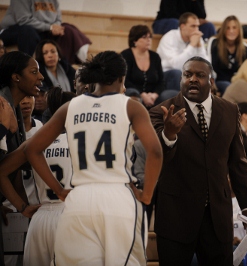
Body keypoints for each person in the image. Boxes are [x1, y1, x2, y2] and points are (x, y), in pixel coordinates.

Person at [1, 51, 163, 265]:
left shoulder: (70, 107)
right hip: (117, 196)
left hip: (79, 200)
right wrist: (147, 194)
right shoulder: (130, 105)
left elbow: (31, 150)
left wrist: (59, 190)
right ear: (121, 78)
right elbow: (155, 151)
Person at [149, 56, 247, 265]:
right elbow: (155, 160)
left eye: (200, 75)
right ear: (181, 80)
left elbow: (238, 165)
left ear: (212, 81)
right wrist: (169, 135)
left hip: (217, 219)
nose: (193, 79)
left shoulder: (230, 110)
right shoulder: (161, 112)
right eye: (188, 75)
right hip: (175, 217)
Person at [0, 51, 44, 265]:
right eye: (34, 72)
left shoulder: (13, 107)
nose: (41, 77)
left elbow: (8, 167)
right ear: (16, 77)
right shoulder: (1, 105)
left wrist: (23, 207)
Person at [0, 0, 91, 64]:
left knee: (67, 30)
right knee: (28, 32)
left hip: (43, 30)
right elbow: (23, 20)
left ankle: (64, 66)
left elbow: (58, 19)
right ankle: (29, 65)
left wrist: (56, 27)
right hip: (14, 29)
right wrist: (50, 27)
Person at [121, 25, 179, 109]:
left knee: (172, 95)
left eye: (150, 37)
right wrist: (143, 94)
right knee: (133, 94)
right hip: (135, 92)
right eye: (144, 37)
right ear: (135, 40)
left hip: (153, 96)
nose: (148, 40)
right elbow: (126, 81)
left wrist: (155, 94)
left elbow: (161, 81)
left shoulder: (155, 56)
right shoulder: (126, 55)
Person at [156, 12, 208, 83]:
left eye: (197, 26)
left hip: (188, 74)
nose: (197, 30)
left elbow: (207, 66)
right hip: (168, 74)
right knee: (177, 73)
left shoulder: (197, 38)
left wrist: (199, 47)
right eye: (193, 26)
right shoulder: (170, 38)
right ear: (182, 26)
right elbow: (176, 66)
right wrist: (192, 46)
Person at [207, 16, 247, 95]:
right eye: (228, 28)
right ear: (223, 30)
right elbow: (209, 66)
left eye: (234, 28)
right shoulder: (214, 43)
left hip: (236, 83)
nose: (231, 31)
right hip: (217, 82)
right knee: (228, 87)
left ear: (239, 30)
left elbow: (245, 73)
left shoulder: (245, 48)